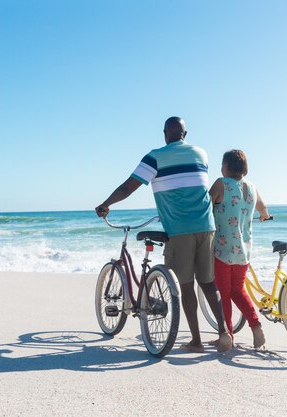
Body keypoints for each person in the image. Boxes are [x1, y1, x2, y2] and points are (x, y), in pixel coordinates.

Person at [95, 116, 232, 353]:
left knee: (185, 286)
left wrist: (105, 204)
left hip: (180, 229)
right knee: (208, 283)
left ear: (164, 134)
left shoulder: (155, 156)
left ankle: (196, 341)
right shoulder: (201, 153)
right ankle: (224, 333)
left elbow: (129, 187)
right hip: (206, 226)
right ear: (185, 135)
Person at [208, 149, 270, 348]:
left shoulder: (221, 183)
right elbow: (262, 207)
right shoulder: (251, 187)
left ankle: (227, 336)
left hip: (222, 249)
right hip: (243, 251)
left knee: (223, 294)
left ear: (226, 166)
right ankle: (256, 326)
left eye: (222, 164)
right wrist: (264, 216)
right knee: (238, 290)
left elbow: (205, 205)